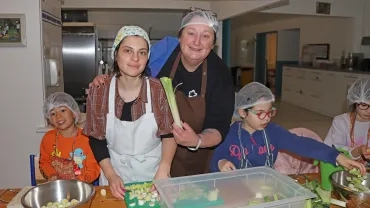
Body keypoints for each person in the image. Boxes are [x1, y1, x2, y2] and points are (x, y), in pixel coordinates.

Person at [88, 8, 235, 177]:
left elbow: (219, 126)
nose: (197, 42)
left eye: (206, 36)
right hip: (156, 154)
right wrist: (107, 80)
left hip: (197, 154)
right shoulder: (164, 53)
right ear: (180, 36)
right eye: (191, 33)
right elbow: (133, 66)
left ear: (213, 43)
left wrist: (197, 140)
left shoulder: (219, 73)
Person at [83, 26, 177, 200]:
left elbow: (169, 134)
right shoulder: (99, 90)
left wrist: (164, 169)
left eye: (142, 52)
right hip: (114, 173)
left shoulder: (157, 89)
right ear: (116, 54)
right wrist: (111, 175)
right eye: (128, 51)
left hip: (153, 173)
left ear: (147, 58)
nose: (135, 58)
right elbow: (96, 139)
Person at [210, 82, 366, 175]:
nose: (267, 118)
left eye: (270, 112)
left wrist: (337, 156)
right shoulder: (229, 133)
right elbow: (217, 157)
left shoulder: (273, 132)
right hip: (235, 187)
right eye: (260, 113)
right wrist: (221, 162)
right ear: (242, 112)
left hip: (264, 185)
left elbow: (303, 144)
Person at [39, 92, 100, 183]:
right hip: (58, 188)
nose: (58, 116)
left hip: (82, 187)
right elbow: (44, 162)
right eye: (52, 113)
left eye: (63, 110)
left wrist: (78, 182)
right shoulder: (48, 139)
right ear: (50, 119)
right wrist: (51, 174)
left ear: (74, 113)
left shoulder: (87, 139)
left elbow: (93, 168)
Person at [325, 77, 370, 162]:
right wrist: (358, 151)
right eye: (364, 105)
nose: (369, 111)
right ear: (355, 101)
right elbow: (336, 151)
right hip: (340, 166)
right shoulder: (341, 122)